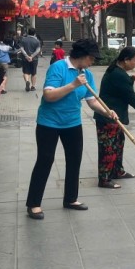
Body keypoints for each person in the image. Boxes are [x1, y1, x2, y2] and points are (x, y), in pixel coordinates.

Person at [25, 39, 113, 220]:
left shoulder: (86, 74)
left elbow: (92, 100)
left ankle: (71, 199)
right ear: (82, 56)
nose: (93, 62)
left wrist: (108, 111)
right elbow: (48, 95)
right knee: (45, 160)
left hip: (72, 123)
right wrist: (73, 84)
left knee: (74, 160)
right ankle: (33, 203)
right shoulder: (58, 68)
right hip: (48, 123)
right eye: (91, 58)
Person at [94, 46, 135, 189]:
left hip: (115, 116)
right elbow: (128, 93)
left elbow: (121, 86)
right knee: (108, 147)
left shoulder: (118, 71)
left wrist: (131, 79)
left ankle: (117, 170)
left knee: (118, 144)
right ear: (126, 60)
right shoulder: (118, 74)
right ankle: (104, 179)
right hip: (108, 117)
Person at [19, 27, 42, 91]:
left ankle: (27, 81)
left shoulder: (23, 40)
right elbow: (38, 50)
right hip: (34, 59)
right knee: (34, 73)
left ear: (28, 32)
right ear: (34, 33)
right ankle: (33, 86)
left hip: (25, 59)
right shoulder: (37, 41)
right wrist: (32, 56)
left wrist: (26, 56)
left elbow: (22, 49)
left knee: (25, 72)